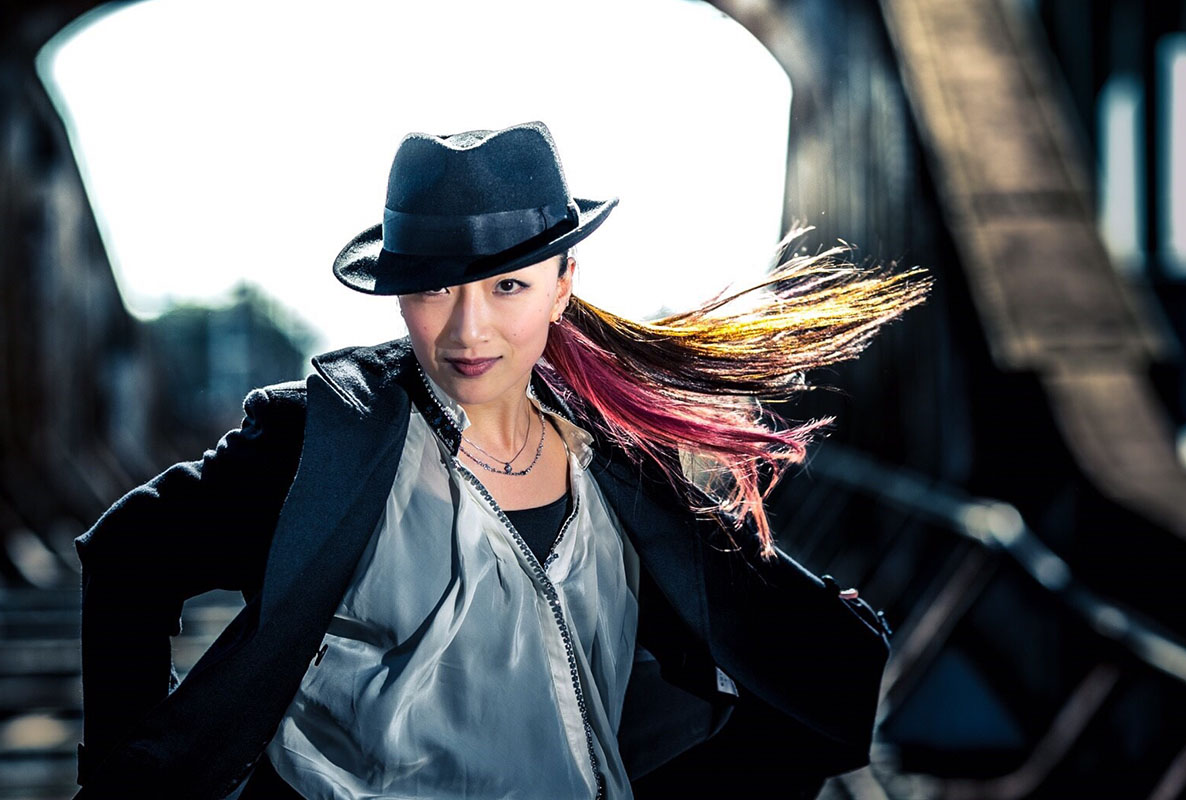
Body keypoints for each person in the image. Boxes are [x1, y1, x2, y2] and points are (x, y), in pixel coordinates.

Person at [73, 121, 929, 799]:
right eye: (434, 288)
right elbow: (127, 554)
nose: (468, 329)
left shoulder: (622, 464)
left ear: (563, 283)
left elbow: (767, 677)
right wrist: (129, 774)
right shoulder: (323, 444)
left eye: (507, 285)